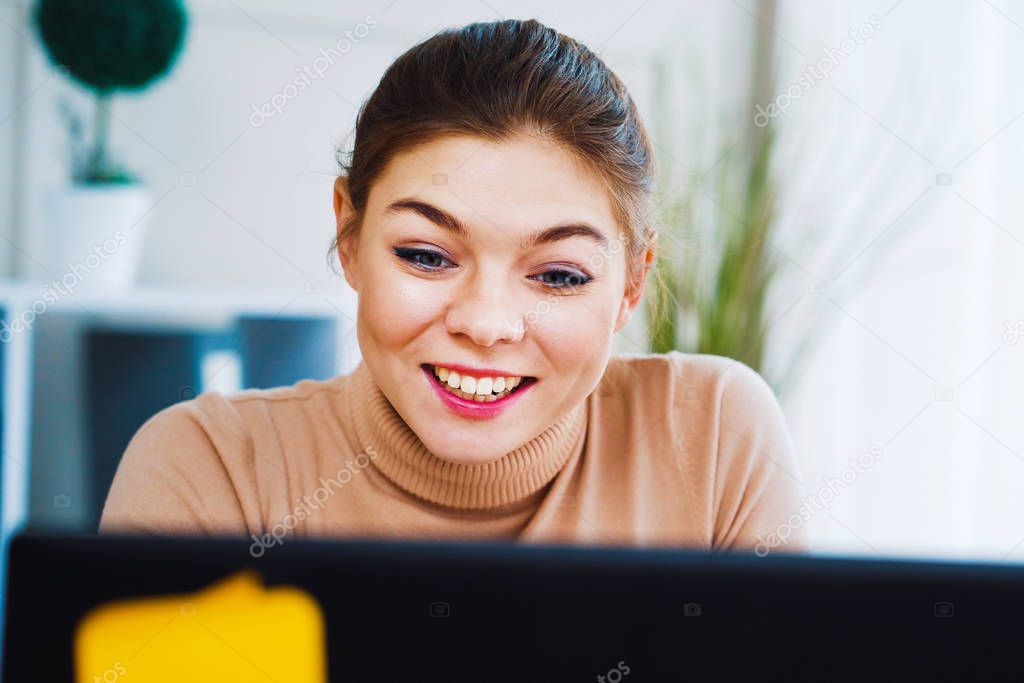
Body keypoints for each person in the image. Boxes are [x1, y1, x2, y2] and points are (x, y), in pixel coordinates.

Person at [100, 18, 807, 555]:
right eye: (428, 256)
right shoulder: (212, 472)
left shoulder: (714, 439)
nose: (487, 322)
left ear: (631, 284)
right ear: (350, 235)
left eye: (559, 275)